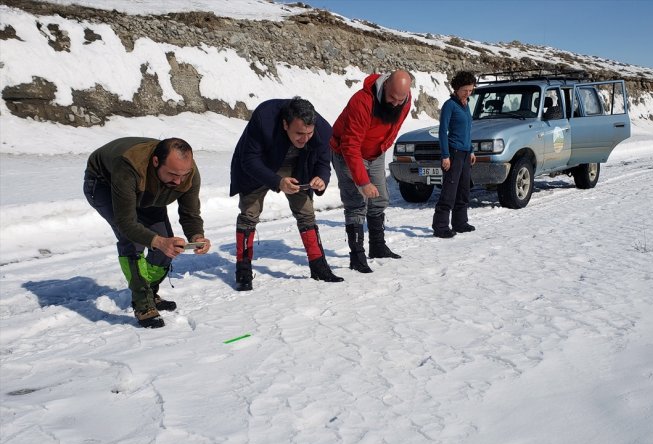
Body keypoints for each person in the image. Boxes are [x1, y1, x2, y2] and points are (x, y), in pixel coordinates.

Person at [84, 137, 212, 328]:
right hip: (105, 184)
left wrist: (196, 236)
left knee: (167, 244)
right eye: (173, 174)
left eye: (183, 175)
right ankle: (143, 303)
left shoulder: (187, 173)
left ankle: (149, 292)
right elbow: (126, 222)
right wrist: (158, 241)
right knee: (133, 241)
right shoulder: (129, 166)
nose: (178, 181)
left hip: (149, 189)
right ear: (155, 162)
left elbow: (190, 212)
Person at [230, 97, 343, 291]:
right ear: (285, 124)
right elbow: (249, 160)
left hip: (296, 166)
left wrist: (321, 178)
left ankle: (318, 265)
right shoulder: (264, 118)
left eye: (309, 133)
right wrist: (277, 182)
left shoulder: (323, 130)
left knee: (306, 212)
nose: (305, 138)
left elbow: (324, 162)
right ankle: (243, 269)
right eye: (299, 133)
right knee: (249, 214)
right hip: (259, 165)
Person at [330, 69, 412, 273]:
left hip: (375, 153)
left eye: (400, 100)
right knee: (357, 203)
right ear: (385, 86)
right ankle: (356, 256)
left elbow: (395, 127)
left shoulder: (405, 100)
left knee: (379, 199)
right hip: (346, 153)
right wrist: (362, 181)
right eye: (392, 97)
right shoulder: (362, 101)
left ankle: (377, 246)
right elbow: (350, 145)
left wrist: (383, 147)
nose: (395, 103)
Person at [432, 71, 477, 238]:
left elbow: (467, 130)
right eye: (465, 90)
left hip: (465, 153)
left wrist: (471, 149)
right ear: (457, 88)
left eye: (471, 90)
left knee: (464, 189)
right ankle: (440, 226)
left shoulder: (466, 105)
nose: (468, 93)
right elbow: (443, 131)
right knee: (449, 190)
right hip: (453, 152)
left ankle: (460, 222)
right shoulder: (449, 105)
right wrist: (445, 155)